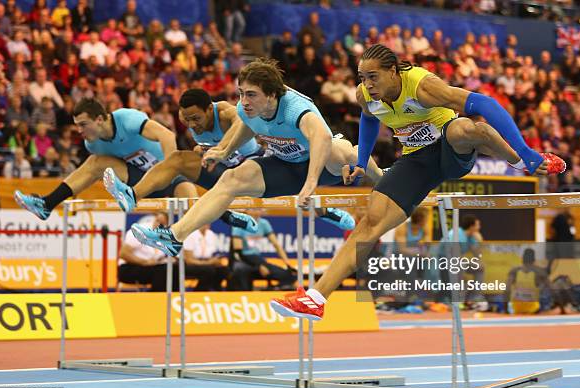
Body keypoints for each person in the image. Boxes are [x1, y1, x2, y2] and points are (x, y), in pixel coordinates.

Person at [271, 44, 566, 320]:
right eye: (362, 77)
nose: (367, 84)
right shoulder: (366, 95)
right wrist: (362, 161)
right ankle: (316, 299)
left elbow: (485, 103)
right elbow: (370, 119)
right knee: (370, 221)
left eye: (373, 77)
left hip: (450, 151)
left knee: (467, 127)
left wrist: (525, 151)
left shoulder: (423, 86)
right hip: (416, 162)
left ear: (393, 72)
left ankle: (521, 160)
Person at [129, 58, 383, 257]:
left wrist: (311, 183)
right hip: (284, 165)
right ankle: (174, 237)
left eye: (251, 94)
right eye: (241, 93)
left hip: (322, 162)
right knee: (231, 178)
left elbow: (321, 138)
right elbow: (247, 124)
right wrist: (224, 151)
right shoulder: (246, 107)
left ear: (272, 95)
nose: (243, 101)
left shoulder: (296, 109)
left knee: (346, 150)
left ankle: (383, 179)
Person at [13, 98, 199, 224]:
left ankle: (180, 233)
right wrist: (74, 201)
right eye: (77, 125)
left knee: (190, 196)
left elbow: (167, 135)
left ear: (100, 119)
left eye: (83, 125)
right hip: (138, 181)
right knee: (95, 162)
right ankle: (47, 204)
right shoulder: (93, 144)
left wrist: (168, 169)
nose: (79, 131)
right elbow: (86, 174)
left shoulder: (127, 119)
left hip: (168, 175)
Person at [102, 88, 261, 232]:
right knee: (177, 159)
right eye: (187, 119)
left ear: (208, 110)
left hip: (250, 168)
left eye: (196, 118)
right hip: (223, 173)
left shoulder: (224, 112)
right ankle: (133, 195)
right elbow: (205, 145)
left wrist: (220, 150)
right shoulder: (184, 117)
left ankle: (227, 215)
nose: (192, 124)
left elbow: (243, 121)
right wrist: (203, 151)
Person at [228, 209, 297, 291]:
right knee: (242, 270)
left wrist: (288, 264)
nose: (257, 211)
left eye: (259, 208)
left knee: (288, 275)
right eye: (254, 208)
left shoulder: (264, 223)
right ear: (247, 211)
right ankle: (245, 294)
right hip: (242, 260)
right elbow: (238, 253)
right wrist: (258, 266)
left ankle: (272, 291)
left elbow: (276, 245)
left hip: (257, 259)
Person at [118, 211, 177, 292]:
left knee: (174, 270)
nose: (158, 225)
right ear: (153, 219)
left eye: (162, 223)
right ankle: (155, 298)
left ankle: (173, 298)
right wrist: (145, 262)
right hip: (128, 268)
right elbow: (123, 254)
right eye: (157, 221)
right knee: (163, 271)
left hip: (150, 268)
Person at [183, 223, 228, 291]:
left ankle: (216, 291)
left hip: (207, 261)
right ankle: (199, 292)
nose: (207, 224)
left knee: (223, 269)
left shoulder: (211, 234)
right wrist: (208, 263)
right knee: (208, 270)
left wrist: (216, 260)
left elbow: (213, 253)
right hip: (191, 263)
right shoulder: (190, 235)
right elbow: (189, 261)